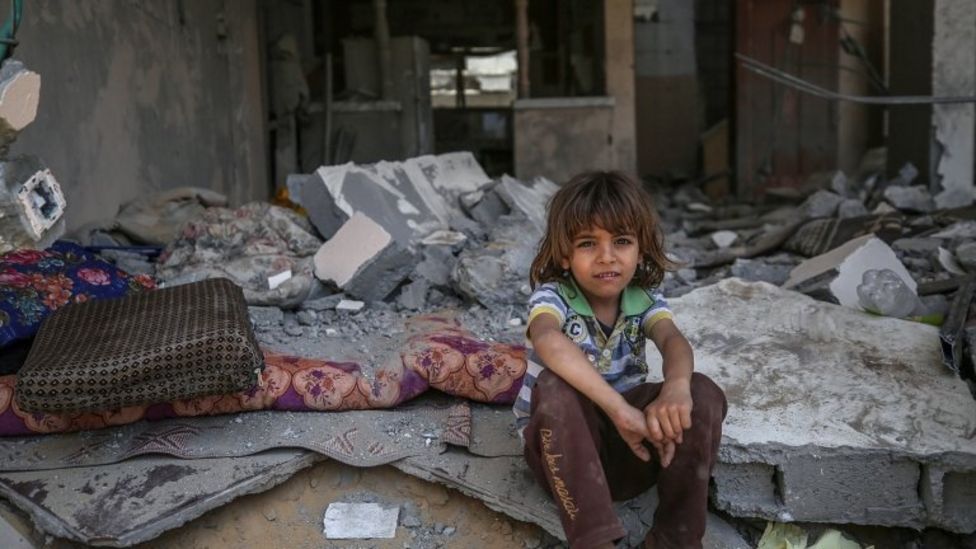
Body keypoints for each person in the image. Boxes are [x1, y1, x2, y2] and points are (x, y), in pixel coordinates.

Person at [513, 171, 727, 549]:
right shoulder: (554, 297)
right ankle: (594, 541)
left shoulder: (642, 300)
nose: (606, 257)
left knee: (702, 391)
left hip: (635, 451)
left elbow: (674, 341)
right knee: (554, 386)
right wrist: (618, 409)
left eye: (622, 241)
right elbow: (548, 341)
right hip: (563, 456)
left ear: (640, 249)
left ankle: (674, 539)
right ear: (565, 254)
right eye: (587, 243)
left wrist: (676, 389)